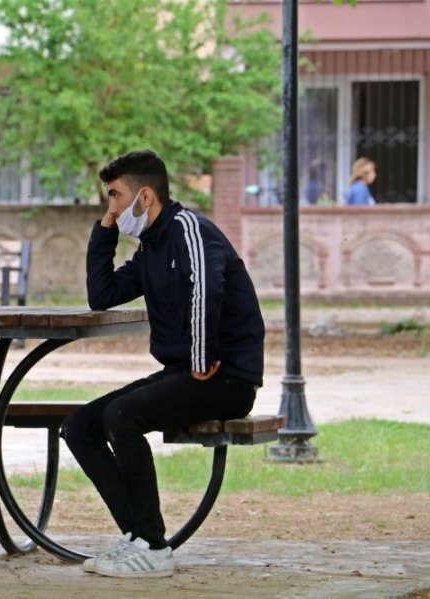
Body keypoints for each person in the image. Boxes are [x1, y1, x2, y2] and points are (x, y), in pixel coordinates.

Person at [60, 150, 265, 578]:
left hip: (224, 376)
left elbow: (206, 289)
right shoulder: (151, 247)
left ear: (146, 195)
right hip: (188, 372)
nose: (111, 205)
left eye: (115, 196)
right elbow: (103, 294)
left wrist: (200, 354)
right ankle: (138, 536)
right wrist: (105, 228)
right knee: (80, 425)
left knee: (122, 415)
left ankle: (154, 546)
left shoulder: (189, 230)